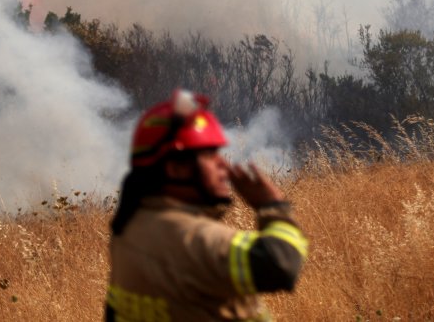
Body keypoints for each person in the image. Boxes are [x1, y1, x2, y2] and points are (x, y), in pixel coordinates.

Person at [105, 89, 308, 321]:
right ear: (176, 168)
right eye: (210, 155)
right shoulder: (196, 240)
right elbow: (281, 265)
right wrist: (272, 206)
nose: (223, 164)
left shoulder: (130, 228)